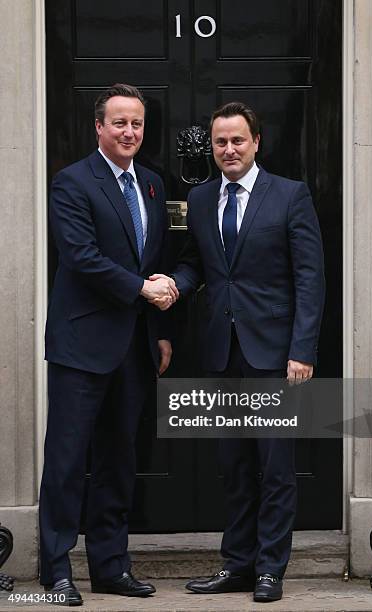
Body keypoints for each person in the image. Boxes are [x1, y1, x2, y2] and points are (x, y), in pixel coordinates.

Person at [150, 101, 325, 603]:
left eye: (237, 140)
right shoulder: (202, 200)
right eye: (220, 142)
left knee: (275, 469)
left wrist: (303, 349)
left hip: (275, 356)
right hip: (221, 354)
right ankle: (238, 565)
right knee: (234, 468)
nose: (228, 149)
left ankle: (271, 569)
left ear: (256, 143)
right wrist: (174, 287)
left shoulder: (290, 196)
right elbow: (195, 265)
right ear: (213, 146)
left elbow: (310, 278)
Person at [39, 83, 178, 606]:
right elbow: (81, 256)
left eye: (137, 123)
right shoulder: (72, 182)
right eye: (119, 122)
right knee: (68, 461)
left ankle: (110, 566)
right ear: (99, 127)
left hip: (135, 346)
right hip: (82, 345)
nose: (129, 132)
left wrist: (162, 327)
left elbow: (158, 256)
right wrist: (142, 288)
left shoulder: (153, 185)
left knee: (119, 461)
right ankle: (55, 573)